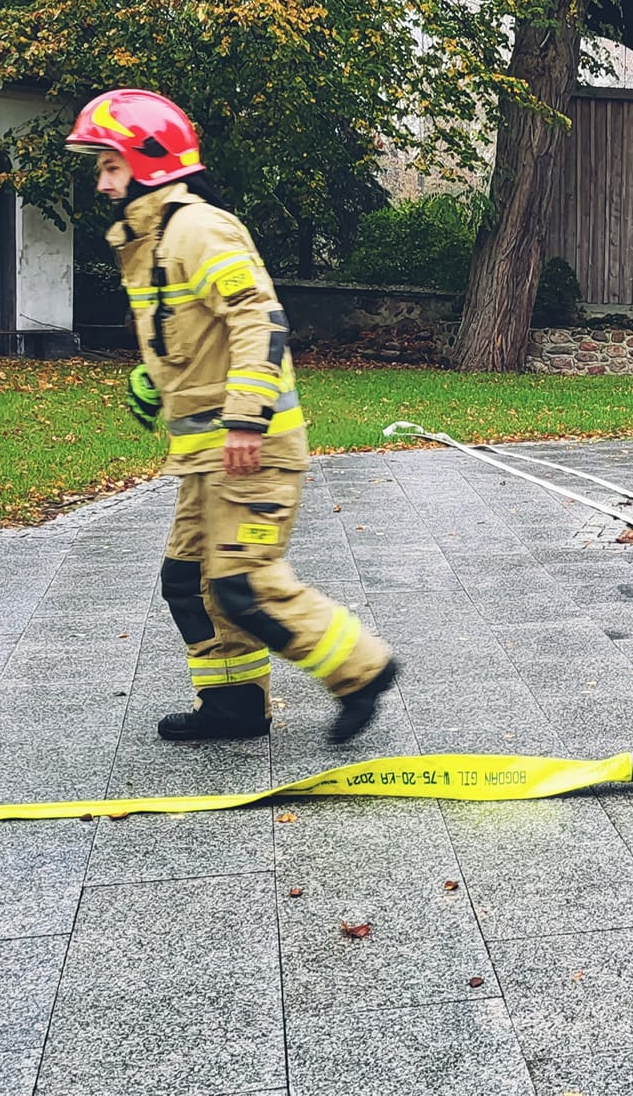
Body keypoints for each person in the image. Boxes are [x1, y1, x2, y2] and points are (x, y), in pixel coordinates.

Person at [67, 88, 399, 742]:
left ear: (148, 161)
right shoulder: (154, 238)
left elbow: (258, 319)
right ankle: (234, 705)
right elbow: (193, 332)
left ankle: (364, 670)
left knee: (244, 583)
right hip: (206, 455)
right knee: (190, 581)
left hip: (251, 448)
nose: (102, 183)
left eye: (109, 166)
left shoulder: (197, 229)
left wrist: (246, 419)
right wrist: (154, 376)